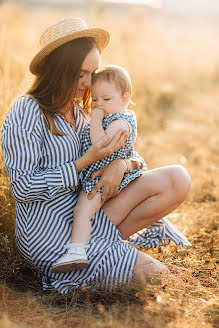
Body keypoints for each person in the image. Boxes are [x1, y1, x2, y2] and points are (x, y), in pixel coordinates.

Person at [1, 17, 191, 294]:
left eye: (92, 72)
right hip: (49, 232)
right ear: (59, 70)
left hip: (88, 214)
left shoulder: (81, 113)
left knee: (177, 178)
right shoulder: (27, 111)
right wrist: (84, 161)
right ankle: (96, 256)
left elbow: (122, 154)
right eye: (81, 73)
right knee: (156, 276)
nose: (89, 83)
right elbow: (23, 188)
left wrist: (121, 164)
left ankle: (106, 247)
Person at [51, 65, 144, 273]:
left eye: (106, 99)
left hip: (105, 181)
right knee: (85, 212)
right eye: (95, 99)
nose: (99, 104)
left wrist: (94, 117)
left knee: (82, 211)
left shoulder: (121, 122)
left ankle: (77, 250)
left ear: (125, 99)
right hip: (97, 177)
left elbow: (100, 145)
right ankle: (95, 245)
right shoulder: (110, 117)